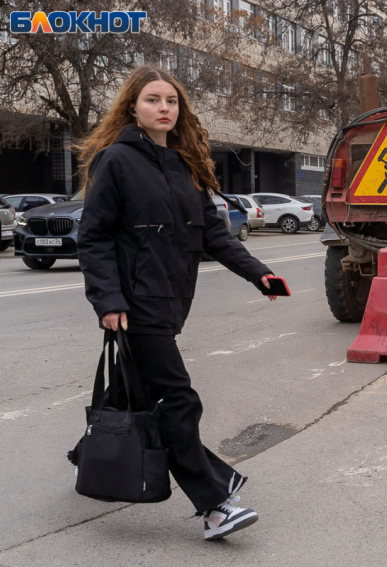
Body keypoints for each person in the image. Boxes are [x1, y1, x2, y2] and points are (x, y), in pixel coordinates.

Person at [76, 65, 274, 541]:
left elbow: (214, 235)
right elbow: (94, 237)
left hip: (170, 301)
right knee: (177, 399)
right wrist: (107, 299)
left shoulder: (185, 166)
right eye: (152, 100)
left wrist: (260, 274)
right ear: (133, 108)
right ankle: (214, 504)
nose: (163, 108)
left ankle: (91, 457)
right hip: (134, 305)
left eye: (171, 101)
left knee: (133, 393)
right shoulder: (116, 160)